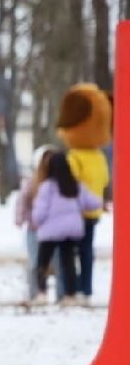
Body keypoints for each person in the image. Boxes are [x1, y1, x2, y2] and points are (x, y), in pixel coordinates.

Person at [58, 83, 113, 303]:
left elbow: (69, 182)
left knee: (69, 252)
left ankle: (71, 289)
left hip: (75, 212)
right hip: (94, 212)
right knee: (87, 251)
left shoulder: (74, 156)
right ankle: (86, 290)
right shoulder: (99, 157)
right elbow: (105, 179)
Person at [30, 151, 102, 305]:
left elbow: (40, 211)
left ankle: (41, 293)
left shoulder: (47, 187)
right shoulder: (75, 185)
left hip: (50, 231)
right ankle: (70, 295)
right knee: (68, 262)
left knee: (43, 261)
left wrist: (37, 221)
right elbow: (93, 202)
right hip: (71, 230)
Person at [14, 146, 56, 301]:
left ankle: (56, 293)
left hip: (52, 230)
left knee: (53, 263)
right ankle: (35, 293)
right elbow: (22, 200)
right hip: (34, 228)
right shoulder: (33, 181)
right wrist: (21, 218)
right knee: (34, 262)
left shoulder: (58, 182)